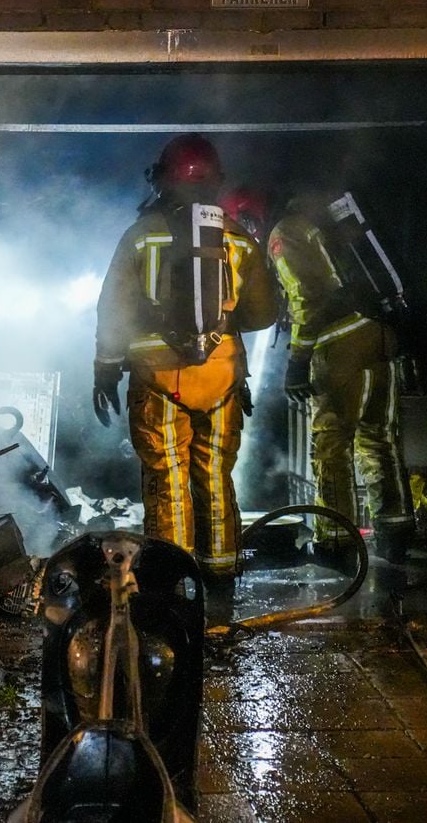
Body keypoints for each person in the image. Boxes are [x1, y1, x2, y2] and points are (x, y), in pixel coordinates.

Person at [93, 134, 279, 577]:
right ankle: (219, 574)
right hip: (222, 380)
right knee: (215, 476)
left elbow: (113, 309)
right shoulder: (237, 239)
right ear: (215, 181)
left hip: (158, 380)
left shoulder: (140, 235)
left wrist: (105, 368)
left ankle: (173, 582)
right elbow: (262, 314)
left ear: (163, 180)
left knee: (168, 479)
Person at [267, 190, 416, 566]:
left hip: (339, 344)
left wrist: (297, 361)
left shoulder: (286, 232)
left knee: (332, 446)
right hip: (379, 334)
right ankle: (395, 534)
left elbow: (308, 299)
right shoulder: (331, 227)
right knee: (379, 437)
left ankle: (335, 542)